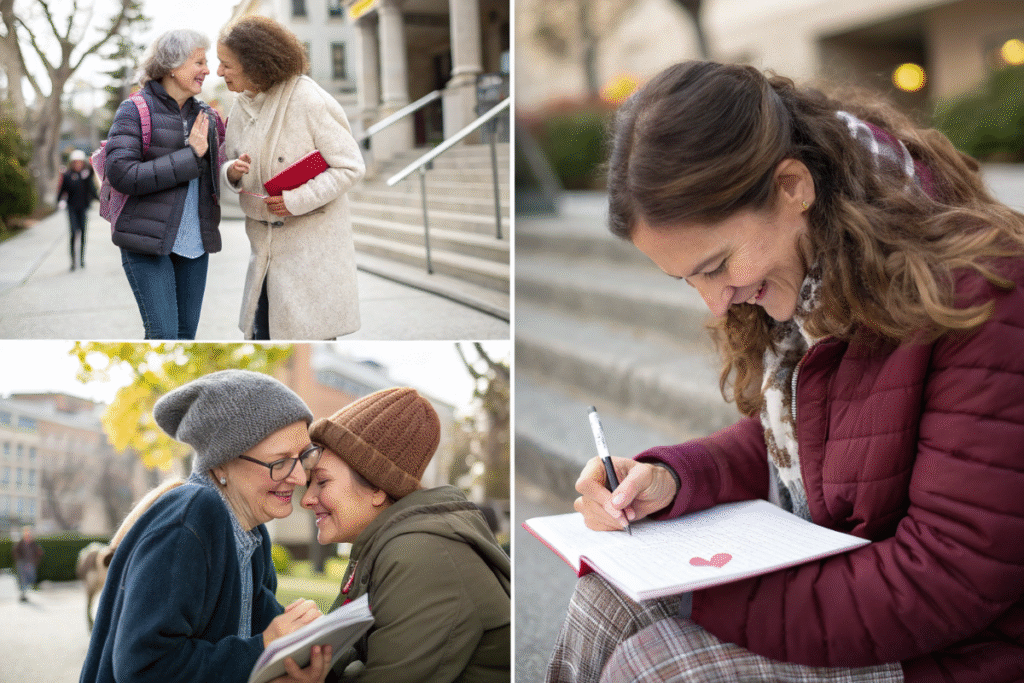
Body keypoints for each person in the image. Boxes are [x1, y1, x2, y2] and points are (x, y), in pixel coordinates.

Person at [551, 60, 1024, 683]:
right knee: (605, 598)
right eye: (688, 277)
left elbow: (948, 576)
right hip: (872, 600)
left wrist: (686, 587)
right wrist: (670, 478)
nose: (715, 303)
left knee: (660, 665)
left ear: (793, 185)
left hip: (961, 649)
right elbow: (810, 442)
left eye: (717, 265)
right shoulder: (815, 272)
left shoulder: (983, 290)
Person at [79, 370, 333, 683]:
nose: (298, 478)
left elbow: (255, 642)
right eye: (279, 462)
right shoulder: (191, 517)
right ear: (221, 463)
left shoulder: (253, 537)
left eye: (303, 457)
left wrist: (300, 651)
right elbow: (143, 668)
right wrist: (266, 645)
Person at [301, 387, 511, 682]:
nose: (306, 499)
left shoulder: (422, 554)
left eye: (322, 482)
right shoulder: (381, 544)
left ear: (377, 487)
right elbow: (353, 649)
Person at [218, 16, 365, 340]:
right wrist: (231, 172)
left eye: (226, 64)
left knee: (308, 337)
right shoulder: (240, 107)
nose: (219, 72)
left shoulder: (309, 100)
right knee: (263, 334)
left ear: (254, 64)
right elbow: (228, 162)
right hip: (264, 254)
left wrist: (296, 200)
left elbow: (350, 166)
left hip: (311, 256)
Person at [103, 29, 224, 340]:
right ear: (173, 64)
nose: (207, 70)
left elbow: (217, 174)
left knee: (186, 337)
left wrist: (233, 172)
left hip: (195, 246)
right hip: (146, 242)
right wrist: (190, 154)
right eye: (199, 62)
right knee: (163, 334)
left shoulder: (207, 115)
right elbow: (123, 174)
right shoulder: (135, 109)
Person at [57, 149, 99, 271]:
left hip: (83, 208)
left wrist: (102, 200)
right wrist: (58, 201)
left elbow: (92, 191)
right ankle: (72, 262)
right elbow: (61, 191)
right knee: (73, 233)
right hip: (71, 208)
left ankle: (81, 260)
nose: (77, 165)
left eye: (80, 162)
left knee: (83, 234)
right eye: (75, 162)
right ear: (72, 163)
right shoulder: (67, 175)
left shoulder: (86, 175)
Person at [13, 526, 43, 602]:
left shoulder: (33, 543)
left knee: (31, 578)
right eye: (27, 533)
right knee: (23, 579)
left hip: (30, 564)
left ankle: (25, 591)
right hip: (22, 564)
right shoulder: (20, 543)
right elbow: (15, 552)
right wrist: (21, 560)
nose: (28, 535)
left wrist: (35, 560)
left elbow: (38, 553)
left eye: (29, 534)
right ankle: (23, 595)